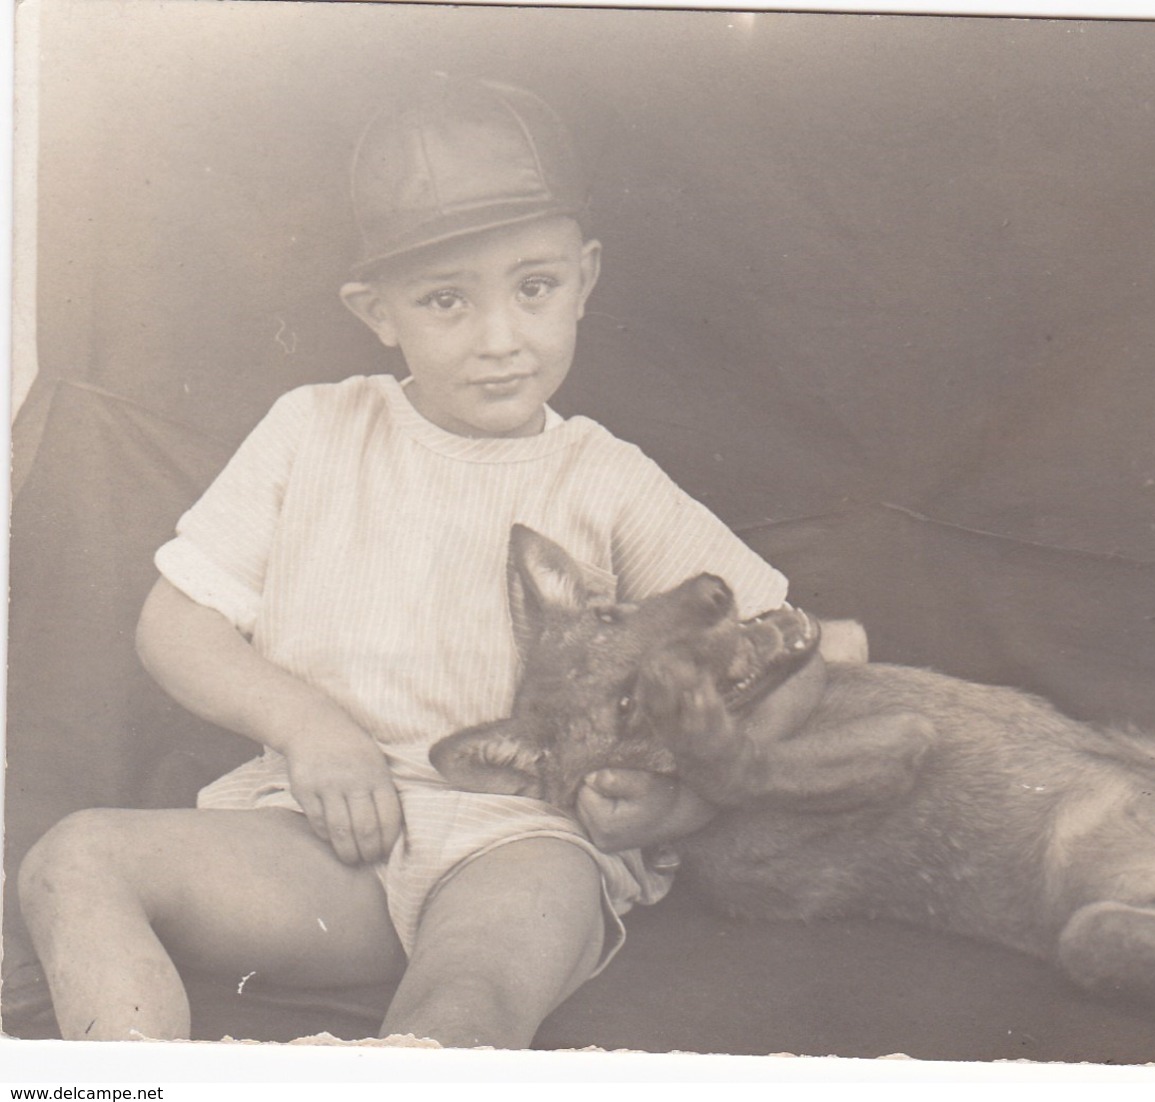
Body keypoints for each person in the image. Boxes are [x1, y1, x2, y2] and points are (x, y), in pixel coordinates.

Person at [17, 74, 805, 1048]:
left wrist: (671, 797)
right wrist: (304, 724)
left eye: (535, 287)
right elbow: (173, 623)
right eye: (445, 300)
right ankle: (130, 1075)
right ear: (377, 310)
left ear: (585, 278)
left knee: (465, 995)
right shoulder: (312, 430)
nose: (500, 339)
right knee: (71, 858)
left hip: (520, 844)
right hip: (320, 841)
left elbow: (776, 645)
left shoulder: (605, 478)